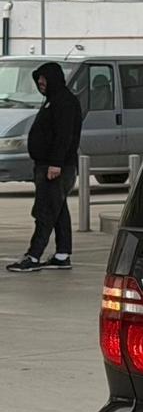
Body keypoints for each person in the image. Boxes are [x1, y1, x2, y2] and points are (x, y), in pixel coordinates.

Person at [6, 61, 82, 273]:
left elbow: (64, 136)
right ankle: (62, 254)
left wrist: (55, 163)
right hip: (47, 165)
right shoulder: (53, 100)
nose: (40, 83)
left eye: (43, 80)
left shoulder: (64, 102)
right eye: (39, 80)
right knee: (58, 211)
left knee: (45, 212)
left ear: (53, 79)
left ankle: (33, 255)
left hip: (55, 167)